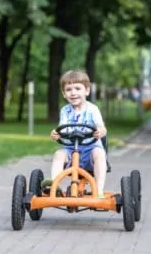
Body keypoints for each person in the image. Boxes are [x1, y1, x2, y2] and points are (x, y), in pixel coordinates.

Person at [41, 69, 108, 199]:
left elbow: (102, 128)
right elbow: (63, 129)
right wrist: (57, 134)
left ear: (86, 91)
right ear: (64, 94)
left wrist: (100, 131)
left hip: (90, 149)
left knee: (99, 154)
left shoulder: (93, 109)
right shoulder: (65, 111)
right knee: (59, 154)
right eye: (69, 90)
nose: (73, 93)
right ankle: (55, 186)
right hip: (71, 149)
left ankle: (99, 190)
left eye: (77, 88)